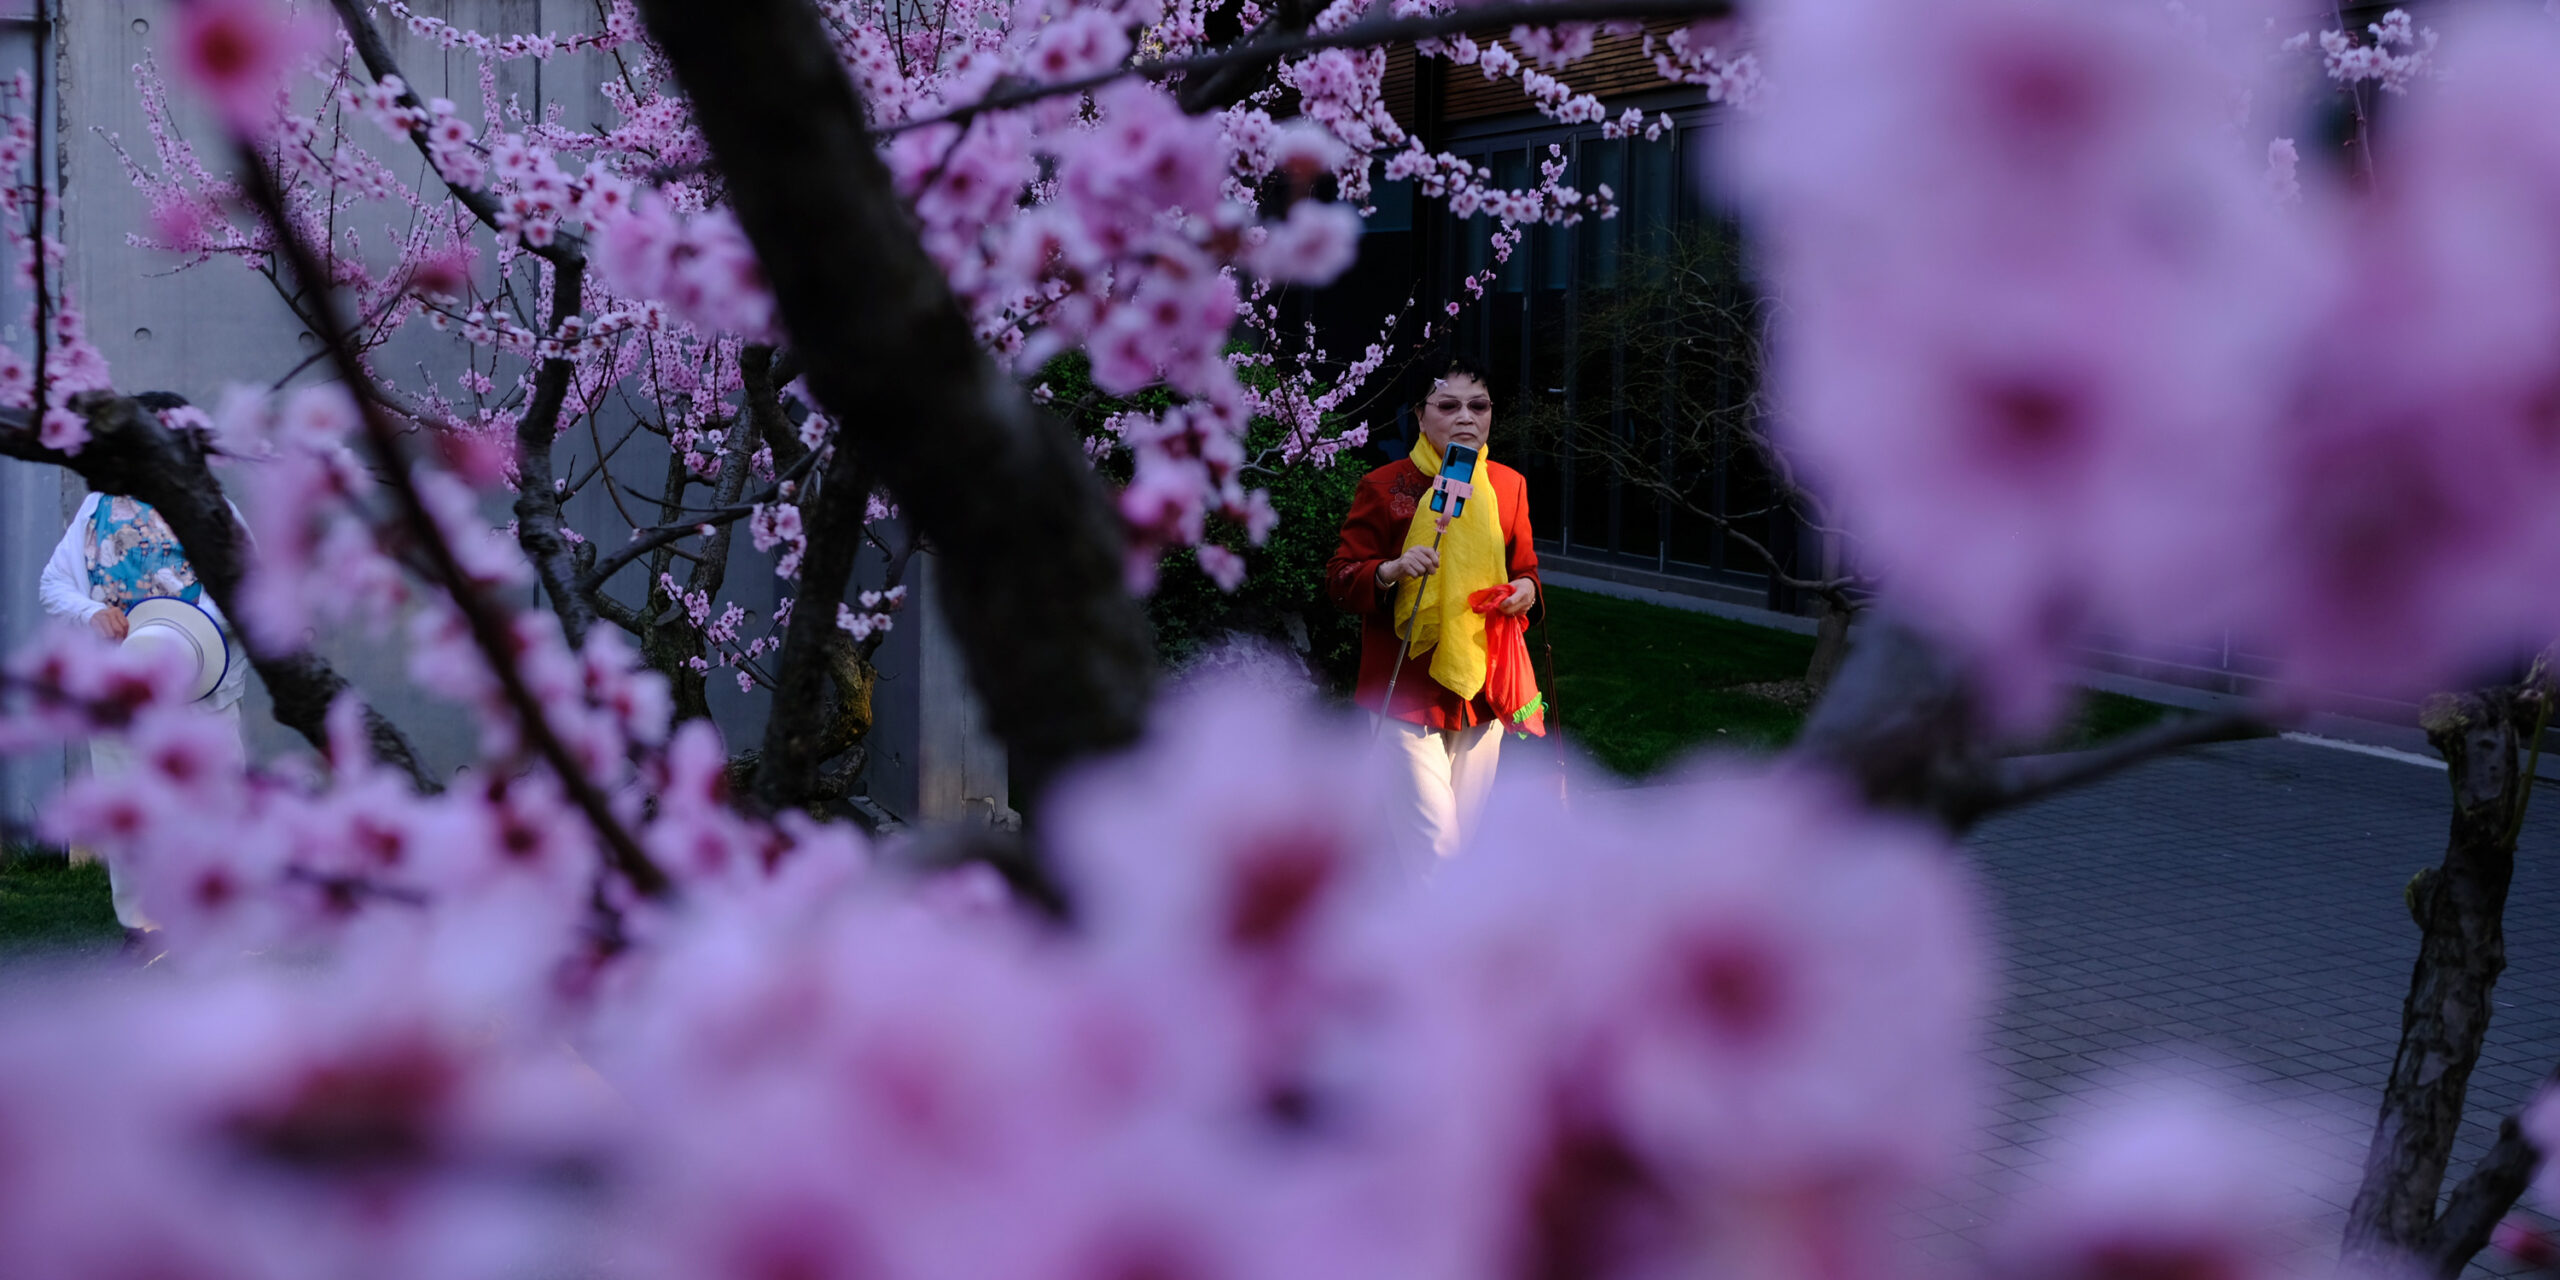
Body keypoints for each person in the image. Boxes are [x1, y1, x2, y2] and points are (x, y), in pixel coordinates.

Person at [37, 392, 248, 945]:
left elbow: (247, 586)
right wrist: (93, 612)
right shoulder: (95, 508)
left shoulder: (211, 507)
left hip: (203, 684)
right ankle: (142, 926)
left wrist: (189, 629)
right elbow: (53, 583)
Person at [1325, 358, 1539, 862]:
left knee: (1464, 847)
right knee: (1435, 849)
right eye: (1448, 405)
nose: (1465, 417)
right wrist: (1390, 570)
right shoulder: (1384, 485)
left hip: (1481, 689)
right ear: (1421, 417)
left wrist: (1525, 589)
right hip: (1405, 691)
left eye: (1478, 405)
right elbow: (1338, 578)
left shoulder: (1508, 486)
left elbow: (1527, 568)